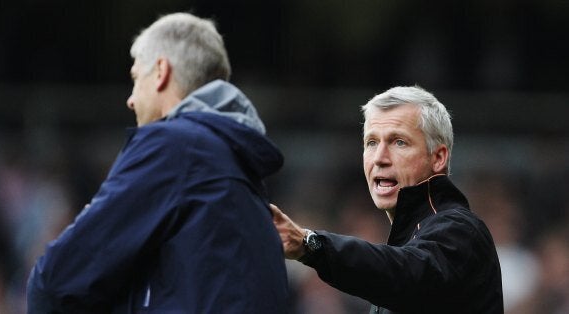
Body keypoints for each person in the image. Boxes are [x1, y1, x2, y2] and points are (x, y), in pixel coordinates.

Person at [27, 12, 289, 313]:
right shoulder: (239, 164)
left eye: (136, 78)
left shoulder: (174, 146)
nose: (131, 99)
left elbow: (56, 282)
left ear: (161, 71)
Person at [271, 86, 503, 314]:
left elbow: (405, 273)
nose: (380, 158)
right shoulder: (407, 243)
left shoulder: (460, 229)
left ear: (438, 157)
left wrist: (310, 244)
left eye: (399, 142)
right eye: (372, 143)